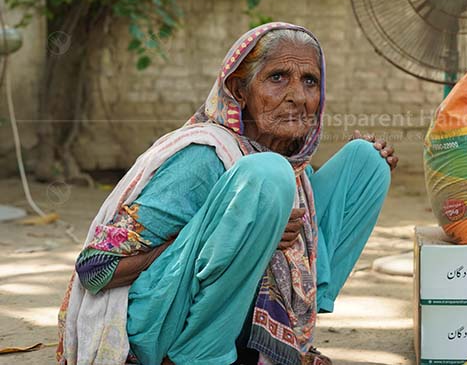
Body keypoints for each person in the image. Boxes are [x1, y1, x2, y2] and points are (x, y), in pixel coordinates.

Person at [56, 22, 397, 365]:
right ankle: (200, 354)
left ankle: (283, 339)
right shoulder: (203, 158)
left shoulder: (293, 169)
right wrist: (232, 232)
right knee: (267, 175)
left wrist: (252, 233)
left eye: (310, 81)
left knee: (366, 161)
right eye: (278, 77)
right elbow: (96, 269)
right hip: (163, 326)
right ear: (239, 90)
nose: (297, 95)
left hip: (234, 309)